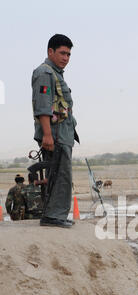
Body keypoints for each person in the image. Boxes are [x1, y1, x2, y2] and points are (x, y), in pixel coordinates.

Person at [31, 34, 79, 228]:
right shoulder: (45, 73)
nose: (66, 58)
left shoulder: (56, 73)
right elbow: (42, 106)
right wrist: (47, 134)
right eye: (62, 53)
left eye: (68, 54)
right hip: (55, 133)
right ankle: (52, 216)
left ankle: (57, 214)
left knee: (62, 174)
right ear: (50, 51)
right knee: (59, 174)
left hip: (63, 132)